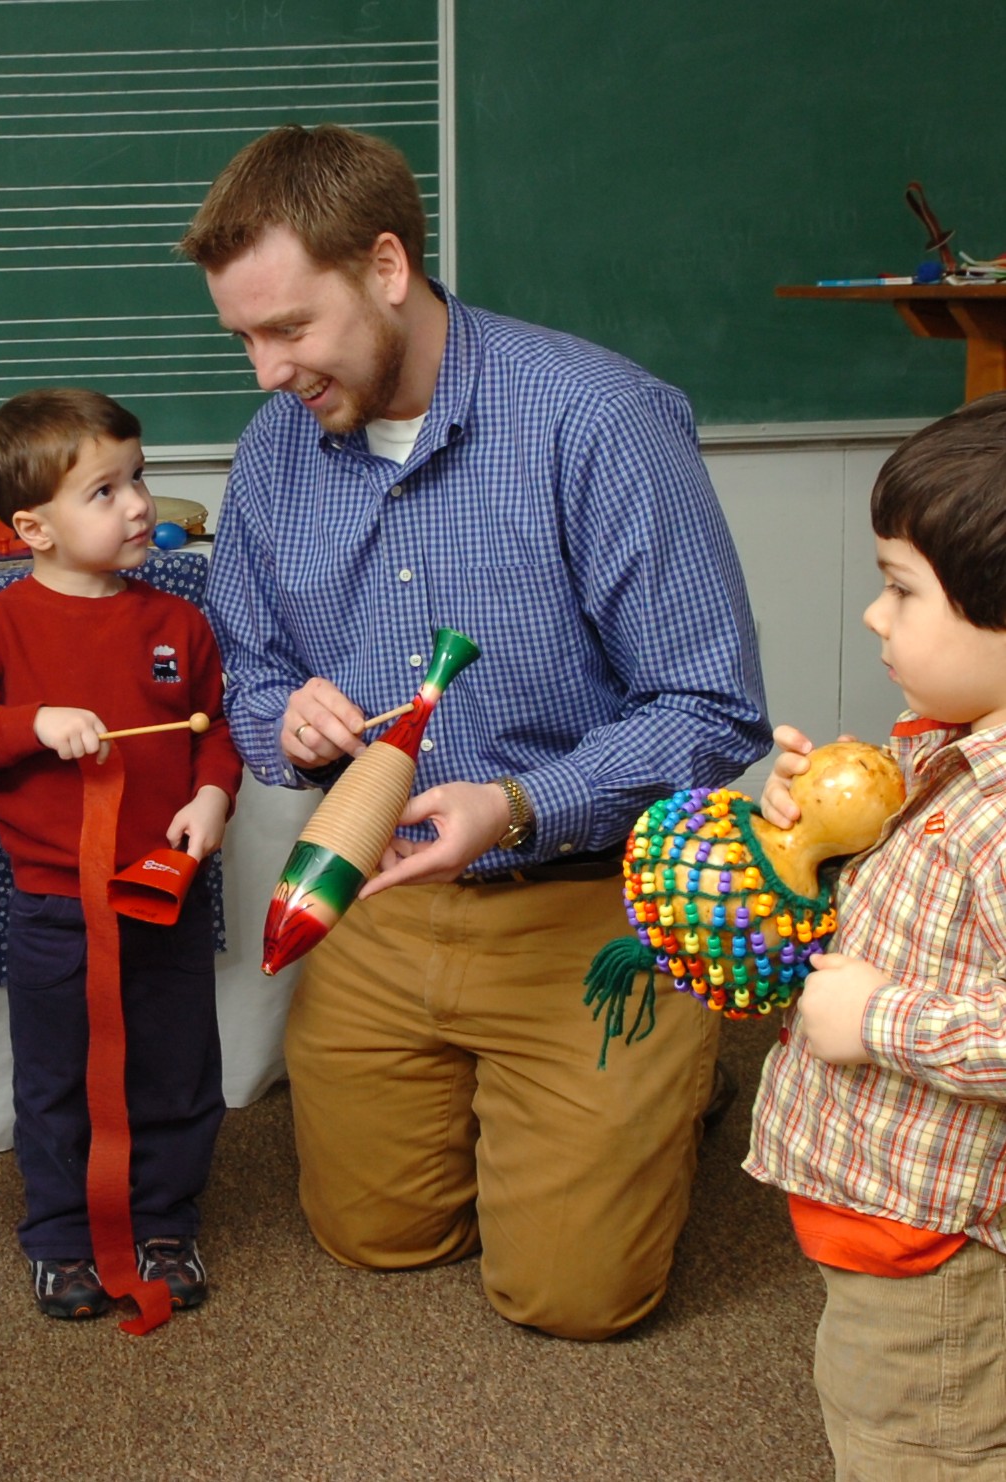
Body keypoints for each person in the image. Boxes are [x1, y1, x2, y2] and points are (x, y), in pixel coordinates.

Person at [178, 123, 771, 1340]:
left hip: (586, 901)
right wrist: (282, 720)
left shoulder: (599, 421)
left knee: (574, 1299)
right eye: (241, 336)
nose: (264, 372)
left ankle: (677, 1060)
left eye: (288, 328)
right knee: (372, 1240)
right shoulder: (272, 453)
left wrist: (521, 801)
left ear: (386, 267)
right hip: (376, 896)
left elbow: (714, 712)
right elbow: (248, 679)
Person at [0, 388, 243, 1318]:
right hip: (55, 907)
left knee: (178, 1065)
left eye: (138, 477)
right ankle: (61, 1238)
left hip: (165, 898)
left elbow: (215, 731)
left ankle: (166, 1222)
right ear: (33, 527)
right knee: (58, 1076)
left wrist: (214, 794)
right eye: (104, 491)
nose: (140, 504)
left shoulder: (179, 621)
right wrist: (32, 722)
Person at [746, 392, 1006, 1478]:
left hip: (938, 1256)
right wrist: (821, 841)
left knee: (916, 1449)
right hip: (886, 1228)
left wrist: (879, 1020)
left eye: (901, 589)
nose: (873, 616)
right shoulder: (952, 753)